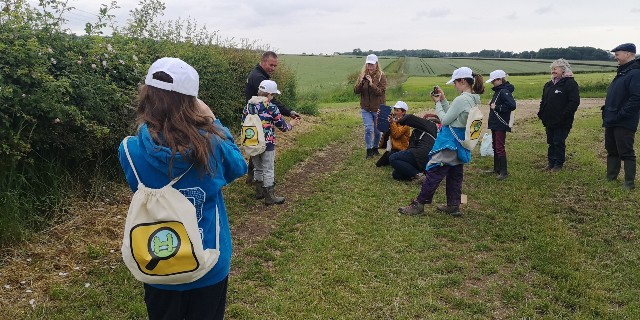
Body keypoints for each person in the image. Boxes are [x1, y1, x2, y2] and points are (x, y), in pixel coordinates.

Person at [118, 57, 247, 319]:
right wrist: (213, 121)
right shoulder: (212, 145)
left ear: (146, 97)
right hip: (208, 261)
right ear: (192, 102)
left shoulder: (129, 149)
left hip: (157, 261)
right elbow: (238, 166)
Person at [398, 67, 484, 217]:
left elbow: (444, 120)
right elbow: (454, 114)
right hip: (460, 141)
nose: (454, 85)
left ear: (462, 81)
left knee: (434, 172)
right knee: (455, 173)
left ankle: (419, 204)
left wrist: (437, 103)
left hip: (449, 141)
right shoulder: (473, 98)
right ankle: (453, 205)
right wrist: (443, 100)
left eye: (455, 82)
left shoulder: (461, 99)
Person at [244, 51, 301, 183]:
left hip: (252, 122)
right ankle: (266, 185)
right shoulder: (259, 78)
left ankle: (253, 179)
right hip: (262, 126)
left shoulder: (257, 75)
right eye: (271, 65)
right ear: (263, 61)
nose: (273, 68)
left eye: (275, 66)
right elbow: (273, 105)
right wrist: (290, 114)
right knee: (265, 161)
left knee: (255, 148)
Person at [243, 80, 299, 204]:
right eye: (273, 95)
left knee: (258, 168)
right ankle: (270, 197)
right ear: (269, 94)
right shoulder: (271, 107)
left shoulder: (248, 105)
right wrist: (292, 124)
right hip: (267, 143)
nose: (273, 98)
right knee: (268, 169)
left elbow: (243, 121)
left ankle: (259, 192)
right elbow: (283, 127)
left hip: (252, 141)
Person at [602, 43, 640, 190]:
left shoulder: (635, 73)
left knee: (626, 151)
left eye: (617, 54)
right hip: (612, 118)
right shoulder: (623, 72)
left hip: (624, 120)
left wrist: (621, 114)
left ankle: (629, 183)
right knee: (611, 148)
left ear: (629, 54)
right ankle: (611, 177)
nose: (615, 57)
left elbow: (636, 98)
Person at [537, 58, 580, 172]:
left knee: (558, 142)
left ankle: (558, 164)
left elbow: (574, 102)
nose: (553, 70)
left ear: (563, 70)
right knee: (551, 142)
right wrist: (541, 113)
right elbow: (543, 100)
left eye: (555, 68)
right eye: (552, 68)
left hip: (562, 121)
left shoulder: (570, 84)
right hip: (549, 120)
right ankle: (551, 163)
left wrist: (564, 115)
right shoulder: (548, 84)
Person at [389, 113, 440, 182]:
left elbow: (409, 118)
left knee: (393, 158)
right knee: (396, 174)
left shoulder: (430, 124)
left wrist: (397, 120)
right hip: (428, 159)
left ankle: (418, 175)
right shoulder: (436, 131)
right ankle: (422, 175)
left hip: (420, 153)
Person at [485, 70, 516, 180]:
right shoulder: (499, 91)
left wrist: (497, 107)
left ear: (499, 79)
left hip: (500, 122)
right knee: (495, 146)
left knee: (499, 147)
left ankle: (504, 172)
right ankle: (496, 169)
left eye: (493, 81)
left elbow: (512, 105)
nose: (492, 83)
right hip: (495, 122)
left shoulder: (504, 91)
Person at [354, 54, 387, 159]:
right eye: (368, 64)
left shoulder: (381, 76)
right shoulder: (362, 75)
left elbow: (380, 92)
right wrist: (361, 82)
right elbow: (356, 91)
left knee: (378, 131)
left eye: (372, 64)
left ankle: (375, 148)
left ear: (377, 64)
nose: (370, 66)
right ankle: (369, 150)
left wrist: (372, 84)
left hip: (378, 108)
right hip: (366, 108)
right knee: (368, 129)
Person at [376, 101, 411, 167]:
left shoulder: (406, 123)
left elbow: (396, 134)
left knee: (390, 157)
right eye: (394, 109)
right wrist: (379, 117)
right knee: (379, 164)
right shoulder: (392, 118)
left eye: (397, 110)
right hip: (393, 147)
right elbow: (381, 128)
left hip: (401, 149)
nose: (395, 112)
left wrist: (392, 123)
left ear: (403, 112)